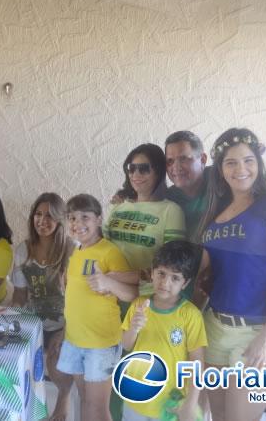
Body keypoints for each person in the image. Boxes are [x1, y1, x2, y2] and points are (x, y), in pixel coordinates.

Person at [194, 128, 266, 421]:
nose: (241, 169)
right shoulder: (216, 213)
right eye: (231, 162)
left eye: (248, 160)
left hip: (259, 331)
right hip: (215, 328)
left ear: (259, 163)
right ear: (220, 168)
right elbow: (201, 270)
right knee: (217, 417)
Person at [57, 194, 137, 421]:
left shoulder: (109, 252)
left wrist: (109, 283)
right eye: (72, 218)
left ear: (99, 220)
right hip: (75, 340)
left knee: (99, 408)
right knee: (83, 399)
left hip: (101, 344)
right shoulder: (76, 251)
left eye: (85, 217)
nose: (77, 223)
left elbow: (133, 293)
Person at [121, 240, 207, 421]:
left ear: (185, 283)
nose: (165, 282)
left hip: (169, 405)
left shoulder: (190, 315)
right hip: (135, 396)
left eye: (175, 277)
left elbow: (197, 362)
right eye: (161, 273)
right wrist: (134, 328)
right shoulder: (139, 305)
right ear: (152, 273)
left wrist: (191, 404)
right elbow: (126, 345)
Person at [11, 193, 75, 421]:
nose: (42, 220)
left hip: (66, 322)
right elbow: (19, 294)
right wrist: (14, 319)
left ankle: (63, 402)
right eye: (38, 214)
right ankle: (27, 410)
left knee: (56, 360)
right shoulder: (23, 249)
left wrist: (64, 330)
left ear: (60, 219)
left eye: (49, 215)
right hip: (34, 321)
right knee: (14, 357)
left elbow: (80, 300)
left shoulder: (72, 249)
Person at [104, 143, 186, 291]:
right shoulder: (117, 206)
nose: (135, 174)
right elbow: (99, 246)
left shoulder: (171, 211)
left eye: (144, 169)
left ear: (158, 172)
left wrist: (118, 277)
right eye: (132, 168)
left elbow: (172, 267)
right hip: (107, 294)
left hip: (144, 299)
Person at [163, 131, 210, 240]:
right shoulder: (168, 198)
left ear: (203, 160)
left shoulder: (221, 182)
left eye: (183, 159)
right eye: (170, 161)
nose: (176, 167)